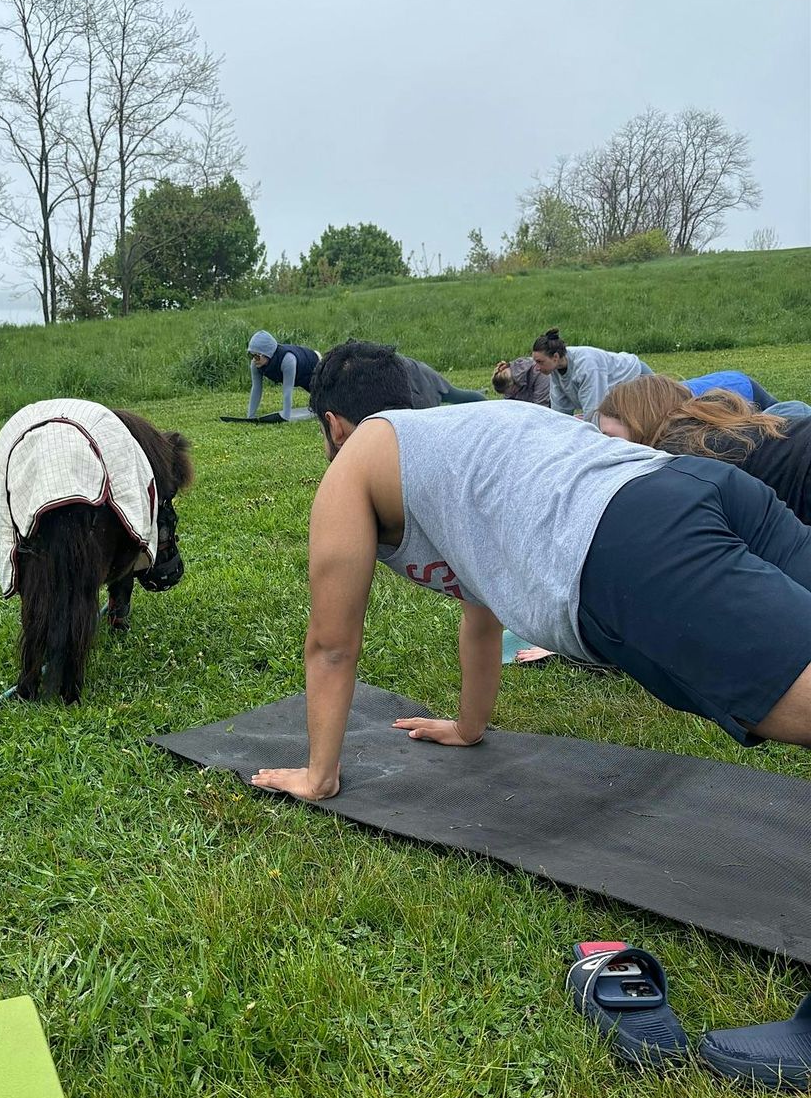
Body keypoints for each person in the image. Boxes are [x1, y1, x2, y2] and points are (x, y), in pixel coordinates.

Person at [249, 342, 811, 800]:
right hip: (696, 483)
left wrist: (319, 775)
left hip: (626, 538)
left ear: (335, 426)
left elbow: (331, 645)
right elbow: (481, 608)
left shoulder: (355, 462)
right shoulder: (459, 444)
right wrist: (470, 727)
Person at [598, 376, 811, 524]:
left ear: (639, 423)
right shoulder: (715, 421)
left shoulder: (678, 457)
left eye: (611, 438)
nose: (609, 449)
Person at [531, 328, 654, 421]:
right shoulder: (555, 370)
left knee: (667, 409)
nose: (536, 368)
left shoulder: (587, 365)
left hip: (637, 377)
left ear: (555, 357)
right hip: (617, 395)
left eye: (540, 362)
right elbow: (560, 413)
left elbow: (594, 413)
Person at [246, 332, 321, 421]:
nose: (254, 359)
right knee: (317, 402)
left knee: (325, 400)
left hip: (314, 365)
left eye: (256, 356)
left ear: (267, 354)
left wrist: (285, 416)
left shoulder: (288, 359)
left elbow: (287, 389)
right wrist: (250, 416)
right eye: (250, 355)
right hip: (299, 375)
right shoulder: (255, 363)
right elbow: (256, 387)